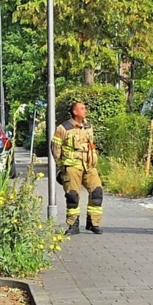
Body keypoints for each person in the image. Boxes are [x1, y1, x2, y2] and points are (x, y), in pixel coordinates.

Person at [51, 101, 103, 235]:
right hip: (72, 166)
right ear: (75, 112)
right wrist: (62, 166)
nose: (85, 111)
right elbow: (55, 148)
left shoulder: (88, 126)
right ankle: (73, 225)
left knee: (97, 193)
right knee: (72, 196)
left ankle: (93, 223)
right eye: (82, 108)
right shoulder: (63, 128)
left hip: (89, 166)